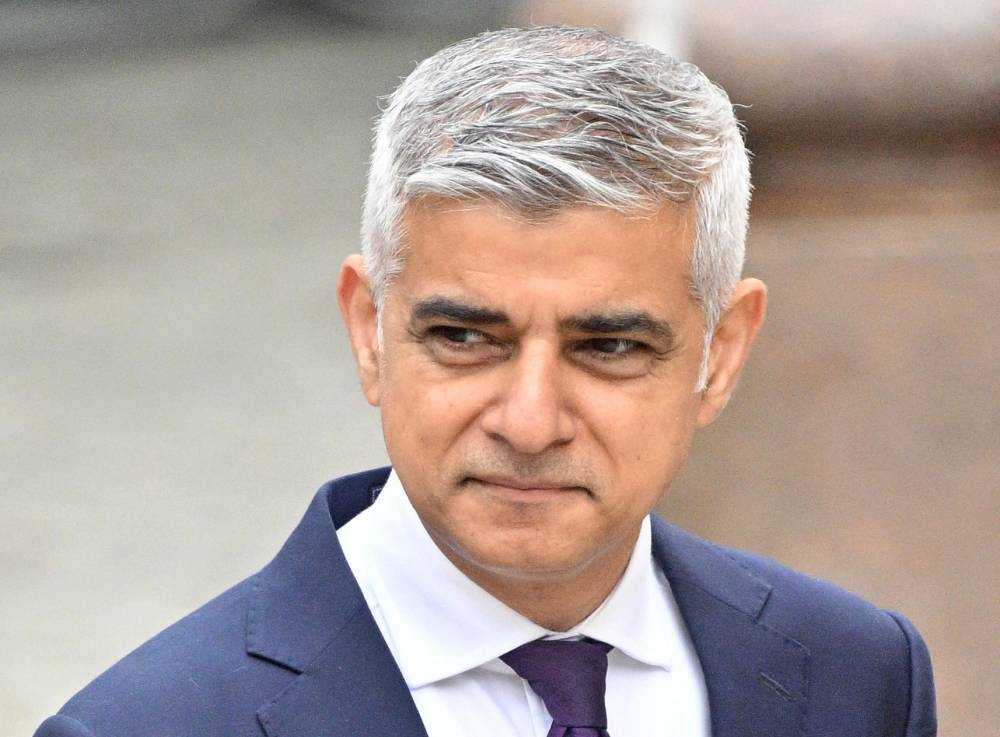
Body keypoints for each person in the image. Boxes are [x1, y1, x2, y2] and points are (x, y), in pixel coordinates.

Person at [34, 26, 936, 737]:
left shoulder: (860, 678)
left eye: (608, 347)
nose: (531, 420)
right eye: (466, 336)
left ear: (722, 352)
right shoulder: (147, 726)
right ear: (369, 331)